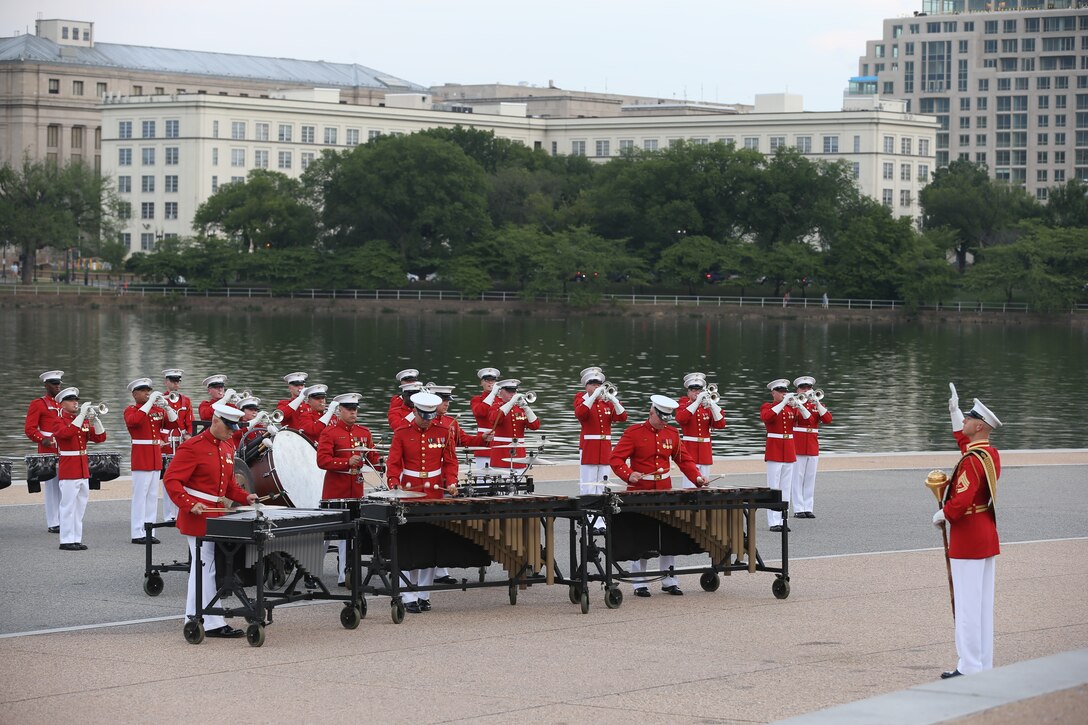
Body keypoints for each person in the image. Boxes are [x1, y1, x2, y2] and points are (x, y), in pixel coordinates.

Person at [163, 400, 257, 639]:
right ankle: (205, 620)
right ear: (215, 421)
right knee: (203, 567)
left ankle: (201, 617)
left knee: (208, 567)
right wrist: (188, 503)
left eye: (233, 428)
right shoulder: (192, 446)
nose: (231, 432)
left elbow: (228, 487)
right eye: (228, 427)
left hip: (216, 514)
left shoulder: (227, 447)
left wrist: (246, 497)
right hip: (197, 515)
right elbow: (171, 480)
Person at [610, 395, 705, 597]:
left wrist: (697, 477)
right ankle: (639, 583)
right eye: (661, 418)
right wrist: (629, 474)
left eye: (667, 419)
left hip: (664, 491)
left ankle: (669, 580)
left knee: (669, 536)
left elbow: (684, 460)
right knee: (641, 537)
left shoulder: (672, 433)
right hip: (640, 492)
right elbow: (616, 459)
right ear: (651, 412)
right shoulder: (634, 432)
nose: (664, 423)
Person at [935, 391, 1003, 679]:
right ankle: (982, 664)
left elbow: (962, 500)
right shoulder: (988, 454)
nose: (965, 419)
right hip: (985, 533)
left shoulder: (972, 460)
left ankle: (969, 666)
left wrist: (943, 514)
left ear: (980, 426)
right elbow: (966, 445)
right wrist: (954, 411)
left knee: (966, 607)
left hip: (967, 538)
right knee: (982, 607)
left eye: (969, 417)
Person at [386, 391, 459, 613]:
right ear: (415, 412)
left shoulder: (443, 431)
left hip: (435, 493)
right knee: (409, 544)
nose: (428, 422)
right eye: (424, 416)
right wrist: (393, 482)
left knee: (430, 544)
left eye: (431, 417)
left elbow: (450, 462)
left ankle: (424, 594)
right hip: (410, 491)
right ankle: (408, 595)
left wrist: (453, 481)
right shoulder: (401, 433)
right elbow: (394, 463)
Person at [316, 393, 379, 586]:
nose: (353, 412)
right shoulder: (330, 432)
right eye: (349, 409)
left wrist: (377, 459)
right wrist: (346, 462)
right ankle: (311, 571)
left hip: (356, 490)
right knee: (327, 535)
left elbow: (373, 458)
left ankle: (346, 575)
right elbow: (322, 461)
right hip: (335, 491)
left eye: (355, 409)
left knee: (351, 534)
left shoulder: (364, 432)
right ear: (340, 410)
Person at [53, 387, 108, 550]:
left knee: (80, 506)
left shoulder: (81, 421)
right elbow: (66, 434)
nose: (75, 403)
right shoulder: (58, 420)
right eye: (71, 400)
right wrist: (83, 415)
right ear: (62, 404)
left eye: (76, 400)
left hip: (82, 468)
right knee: (68, 505)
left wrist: (95, 419)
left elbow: (100, 437)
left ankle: (76, 538)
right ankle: (66, 540)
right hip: (69, 468)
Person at [573, 366, 627, 530]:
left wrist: (614, 400)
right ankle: (587, 516)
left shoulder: (606, 403)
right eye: (592, 383)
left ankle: (600, 518)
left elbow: (623, 417)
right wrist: (593, 396)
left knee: (602, 483)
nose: (596, 386)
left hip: (605, 447)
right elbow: (580, 414)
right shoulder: (581, 399)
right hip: (589, 446)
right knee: (588, 483)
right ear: (586, 386)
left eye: (598, 383)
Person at [124, 378, 177, 544]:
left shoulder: (155, 410)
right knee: (140, 496)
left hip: (154, 456)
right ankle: (137, 532)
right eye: (143, 390)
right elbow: (135, 421)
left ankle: (149, 530)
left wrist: (167, 406)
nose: (148, 393)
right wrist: (151, 402)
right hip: (141, 456)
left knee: (153, 496)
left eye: (149, 390)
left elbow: (173, 422)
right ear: (135, 394)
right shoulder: (131, 410)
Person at [761, 378, 810, 532]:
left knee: (786, 488)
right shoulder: (768, 406)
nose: (784, 394)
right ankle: (773, 521)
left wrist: (800, 405)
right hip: (775, 450)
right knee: (774, 487)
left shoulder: (791, 409)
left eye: (785, 392)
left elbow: (808, 419)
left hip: (788, 450)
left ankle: (783, 520)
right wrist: (783, 403)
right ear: (773, 393)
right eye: (780, 392)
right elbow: (767, 417)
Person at [24, 370, 64, 533]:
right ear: (46, 385)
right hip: (48, 449)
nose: (57, 386)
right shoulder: (38, 403)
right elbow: (29, 429)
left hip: (66, 449)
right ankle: (53, 522)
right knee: (52, 486)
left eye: (59, 383)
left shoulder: (64, 402)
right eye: (54, 384)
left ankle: (65, 519)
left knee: (65, 486)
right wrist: (43, 439)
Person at [674, 372, 725, 490]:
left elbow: (721, 424)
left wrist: (712, 406)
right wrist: (696, 403)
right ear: (688, 392)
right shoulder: (683, 404)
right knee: (689, 486)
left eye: (699, 389)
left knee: (704, 486)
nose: (697, 392)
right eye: (693, 389)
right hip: (690, 450)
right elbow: (681, 418)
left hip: (705, 451)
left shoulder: (707, 407)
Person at [791, 376, 831, 519]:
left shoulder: (816, 404)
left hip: (812, 445)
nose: (806, 390)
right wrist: (800, 403)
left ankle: (808, 507)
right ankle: (798, 508)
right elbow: (801, 418)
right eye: (803, 388)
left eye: (808, 388)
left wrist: (818, 403)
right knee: (797, 478)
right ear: (798, 390)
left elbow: (827, 420)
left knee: (810, 478)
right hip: (799, 445)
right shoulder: (794, 404)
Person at [487, 379, 542, 476]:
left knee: (519, 486)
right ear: (501, 392)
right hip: (501, 456)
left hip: (519, 456)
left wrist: (526, 408)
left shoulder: (520, 409)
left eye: (514, 391)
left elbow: (535, 426)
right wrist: (511, 403)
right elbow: (496, 419)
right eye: (509, 391)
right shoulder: (495, 407)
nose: (512, 394)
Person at [160, 368, 192, 522]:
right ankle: (169, 515)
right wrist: (159, 438)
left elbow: (189, 423)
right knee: (169, 478)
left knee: (183, 478)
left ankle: (181, 512)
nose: (175, 384)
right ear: (166, 382)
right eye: (172, 381)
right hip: (166, 442)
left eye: (177, 381)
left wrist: (188, 436)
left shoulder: (185, 400)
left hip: (181, 442)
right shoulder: (160, 400)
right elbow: (156, 423)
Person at [469, 367, 501, 472]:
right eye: (487, 380)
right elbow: (480, 412)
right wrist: (492, 394)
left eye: (493, 380)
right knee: (482, 478)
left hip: (499, 444)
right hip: (484, 443)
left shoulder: (501, 400)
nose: (490, 383)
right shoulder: (476, 400)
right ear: (482, 382)